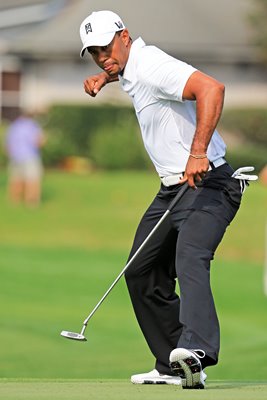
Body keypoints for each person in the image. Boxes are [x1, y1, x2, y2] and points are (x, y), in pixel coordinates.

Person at [79, 10, 247, 389]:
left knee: (190, 255)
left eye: (105, 48)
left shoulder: (151, 64)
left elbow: (212, 89)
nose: (102, 56)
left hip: (211, 183)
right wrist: (105, 78)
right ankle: (175, 366)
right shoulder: (131, 67)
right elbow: (124, 70)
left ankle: (197, 350)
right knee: (140, 271)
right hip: (173, 190)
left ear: (124, 36)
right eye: (93, 53)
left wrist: (197, 151)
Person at [5, 110, 45, 207]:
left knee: (16, 179)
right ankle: (31, 202)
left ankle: (15, 202)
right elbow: (38, 142)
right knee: (33, 179)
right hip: (30, 156)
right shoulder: (32, 126)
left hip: (15, 157)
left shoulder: (14, 126)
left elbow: (8, 145)